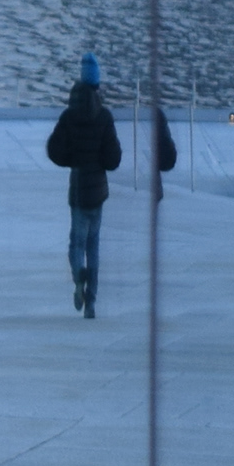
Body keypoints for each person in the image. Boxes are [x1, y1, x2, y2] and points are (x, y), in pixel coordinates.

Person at [46, 52, 173, 320]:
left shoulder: (69, 116)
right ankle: (91, 300)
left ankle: (78, 276)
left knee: (76, 241)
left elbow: (53, 150)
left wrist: (72, 160)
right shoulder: (104, 117)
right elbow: (113, 159)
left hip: (78, 188)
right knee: (94, 243)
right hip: (98, 190)